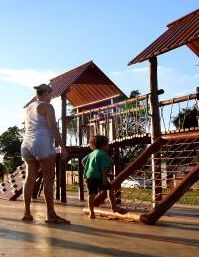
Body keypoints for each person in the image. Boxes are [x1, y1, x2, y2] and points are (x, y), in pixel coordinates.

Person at [20, 83, 70, 224]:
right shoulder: (48, 107)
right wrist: (63, 147)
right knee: (49, 178)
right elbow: (53, 127)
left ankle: (27, 213)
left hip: (26, 145)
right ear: (46, 93)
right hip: (41, 143)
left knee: (30, 178)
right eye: (51, 93)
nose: (52, 96)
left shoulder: (29, 107)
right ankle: (51, 214)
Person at [82, 135, 124, 218]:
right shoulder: (103, 154)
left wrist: (90, 168)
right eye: (107, 144)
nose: (108, 146)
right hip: (99, 176)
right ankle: (114, 207)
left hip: (88, 176)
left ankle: (91, 213)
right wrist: (104, 179)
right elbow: (103, 168)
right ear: (103, 145)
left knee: (91, 194)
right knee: (110, 188)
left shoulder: (91, 154)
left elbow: (83, 161)